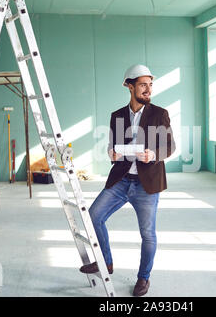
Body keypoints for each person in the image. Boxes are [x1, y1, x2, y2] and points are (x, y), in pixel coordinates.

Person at [79, 64, 176, 296]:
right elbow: (113, 146)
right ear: (129, 86)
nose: (148, 90)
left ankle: (143, 278)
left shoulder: (159, 113)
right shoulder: (117, 116)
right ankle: (106, 263)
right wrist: (111, 153)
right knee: (93, 216)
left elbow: (170, 146)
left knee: (147, 234)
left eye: (150, 85)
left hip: (147, 184)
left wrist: (153, 154)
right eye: (143, 85)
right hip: (121, 181)